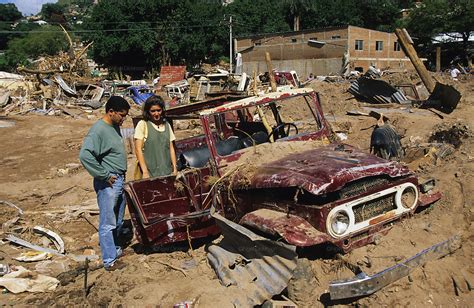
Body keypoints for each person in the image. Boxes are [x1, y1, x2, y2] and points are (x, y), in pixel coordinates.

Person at [79, 96, 130, 271]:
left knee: (117, 219)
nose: (123, 119)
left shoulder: (114, 126)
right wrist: (104, 175)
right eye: (121, 115)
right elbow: (85, 155)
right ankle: (109, 260)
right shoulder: (98, 130)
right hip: (109, 182)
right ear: (111, 112)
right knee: (108, 222)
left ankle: (115, 250)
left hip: (119, 179)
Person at [134, 95, 177, 179]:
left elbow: (171, 148)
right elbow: (138, 149)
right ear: (148, 111)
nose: (156, 114)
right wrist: (145, 172)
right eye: (153, 111)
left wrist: (175, 168)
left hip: (167, 172)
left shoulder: (167, 125)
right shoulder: (143, 124)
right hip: (151, 174)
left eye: (158, 110)